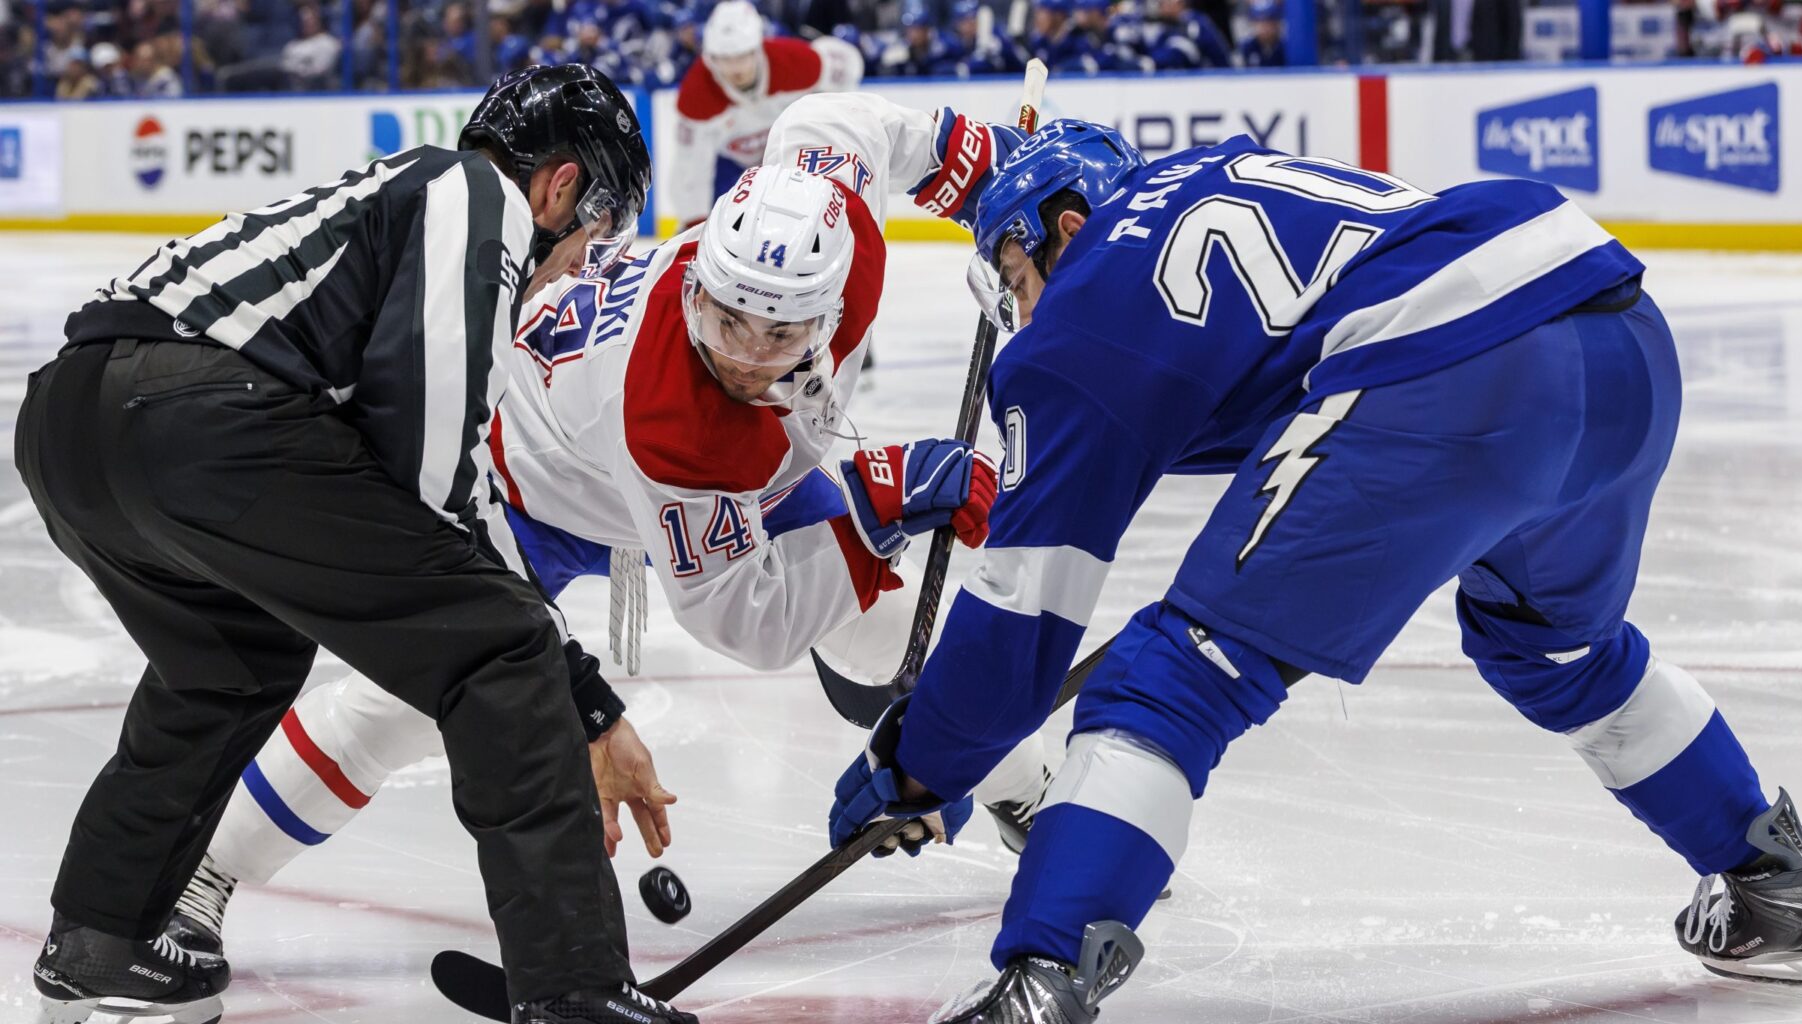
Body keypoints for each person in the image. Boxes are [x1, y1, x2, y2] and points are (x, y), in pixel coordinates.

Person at [826, 121, 1802, 1021]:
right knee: (1555, 644)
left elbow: (1026, 610)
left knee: (1173, 674)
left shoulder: (1084, 308)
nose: (1020, 307)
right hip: (1614, 331)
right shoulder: (1212, 176)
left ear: (1066, 226)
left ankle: (1045, 976)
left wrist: (923, 763)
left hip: (1452, 362)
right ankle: (1781, 887)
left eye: (1014, 274)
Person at [158, 90, 1060, 958]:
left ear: (829, 311)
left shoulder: (836, 223)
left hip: (706, 467)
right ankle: (200, 875)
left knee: (890, 628)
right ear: (700, 279)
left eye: (774, 335)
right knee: (399, 704)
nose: (742, 357)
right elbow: (744, 620)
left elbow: (832, 121)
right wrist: (877, 501)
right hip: (533, 486)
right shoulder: (676, 418)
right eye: (725, 318)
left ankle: (1021, 792)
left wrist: (977, 172)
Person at [15, 64, 702, 1024]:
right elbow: (435, 486)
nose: (582, 268)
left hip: (68, 424)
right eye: (596, 236)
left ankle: (100, 935)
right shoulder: (476, 197)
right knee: (500, 647)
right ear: (560, 188)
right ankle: (573, 986)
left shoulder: (393, 200)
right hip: (201, 419)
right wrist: (558, 675)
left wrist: (585, 693)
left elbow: (411, 488)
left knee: (230, 661)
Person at [666, 0, 864, 228]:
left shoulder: (792, 62)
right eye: (725, 60)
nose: (735, 69)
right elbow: (691, 169)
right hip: (731, 167)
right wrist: (695, 224)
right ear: (711, 58)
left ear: (757, 48)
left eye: (741, 56)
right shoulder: (697, 93)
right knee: (722, 223)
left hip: (789, 158)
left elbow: (846, 63)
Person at [1234, 0, 1285, 65]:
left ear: (1277, 23)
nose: (1264, 27)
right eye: (1259, 22)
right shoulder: (1246, 48)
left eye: (1268, 21)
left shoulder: (1285, 48)